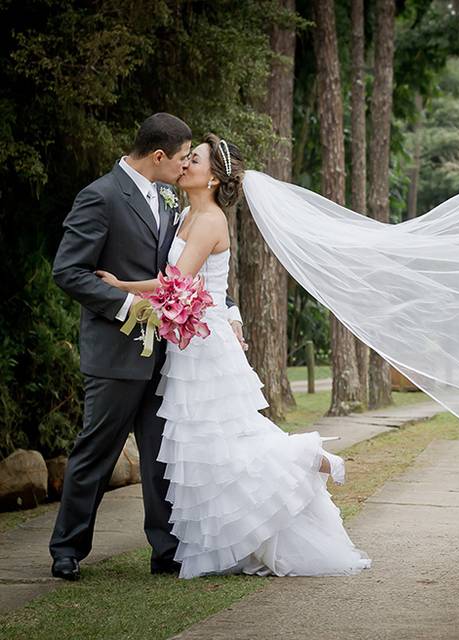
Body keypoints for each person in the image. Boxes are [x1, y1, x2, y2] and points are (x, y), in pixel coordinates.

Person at [95, 134, 369, 578]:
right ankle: (220, 538)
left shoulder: (209, 221)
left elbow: (174, 283)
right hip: (192, 340)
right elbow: (205, 287)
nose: (184, 164)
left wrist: (120, 286)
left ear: (214, 177)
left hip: (205, 347)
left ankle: (306, 457)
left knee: (227, 438)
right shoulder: (186, 212)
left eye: (195, 159)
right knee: (208, 444)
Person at [50, 113, 246, 580]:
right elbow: (68, 271)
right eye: (182, 158)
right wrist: (125, 306)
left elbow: (190, 275)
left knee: (162, 457)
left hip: (167, 354)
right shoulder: (99, 196)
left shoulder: (171, 202)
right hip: (115, 352)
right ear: (159, 156)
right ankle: (68, 549)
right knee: (96, 451)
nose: (184, 167)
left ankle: (167, 551)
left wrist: (231, 314)